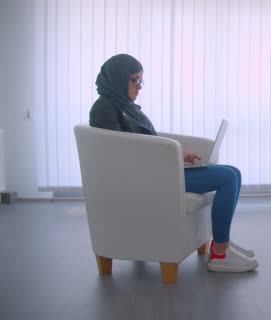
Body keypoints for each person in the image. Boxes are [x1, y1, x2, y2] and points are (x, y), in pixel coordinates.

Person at [89, 53, 258, 273]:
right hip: (150, 177)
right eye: (135, 80)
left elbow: (145, 142)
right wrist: (172, 156)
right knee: (227, 177)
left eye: (142, 81)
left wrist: (179, 152)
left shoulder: (125, 106)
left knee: (234, 172)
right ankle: (221, 252)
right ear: (119, 77)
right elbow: (121, 153)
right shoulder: (104, 109)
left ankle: (221, 244)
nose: (140, 87)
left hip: (158, 169)